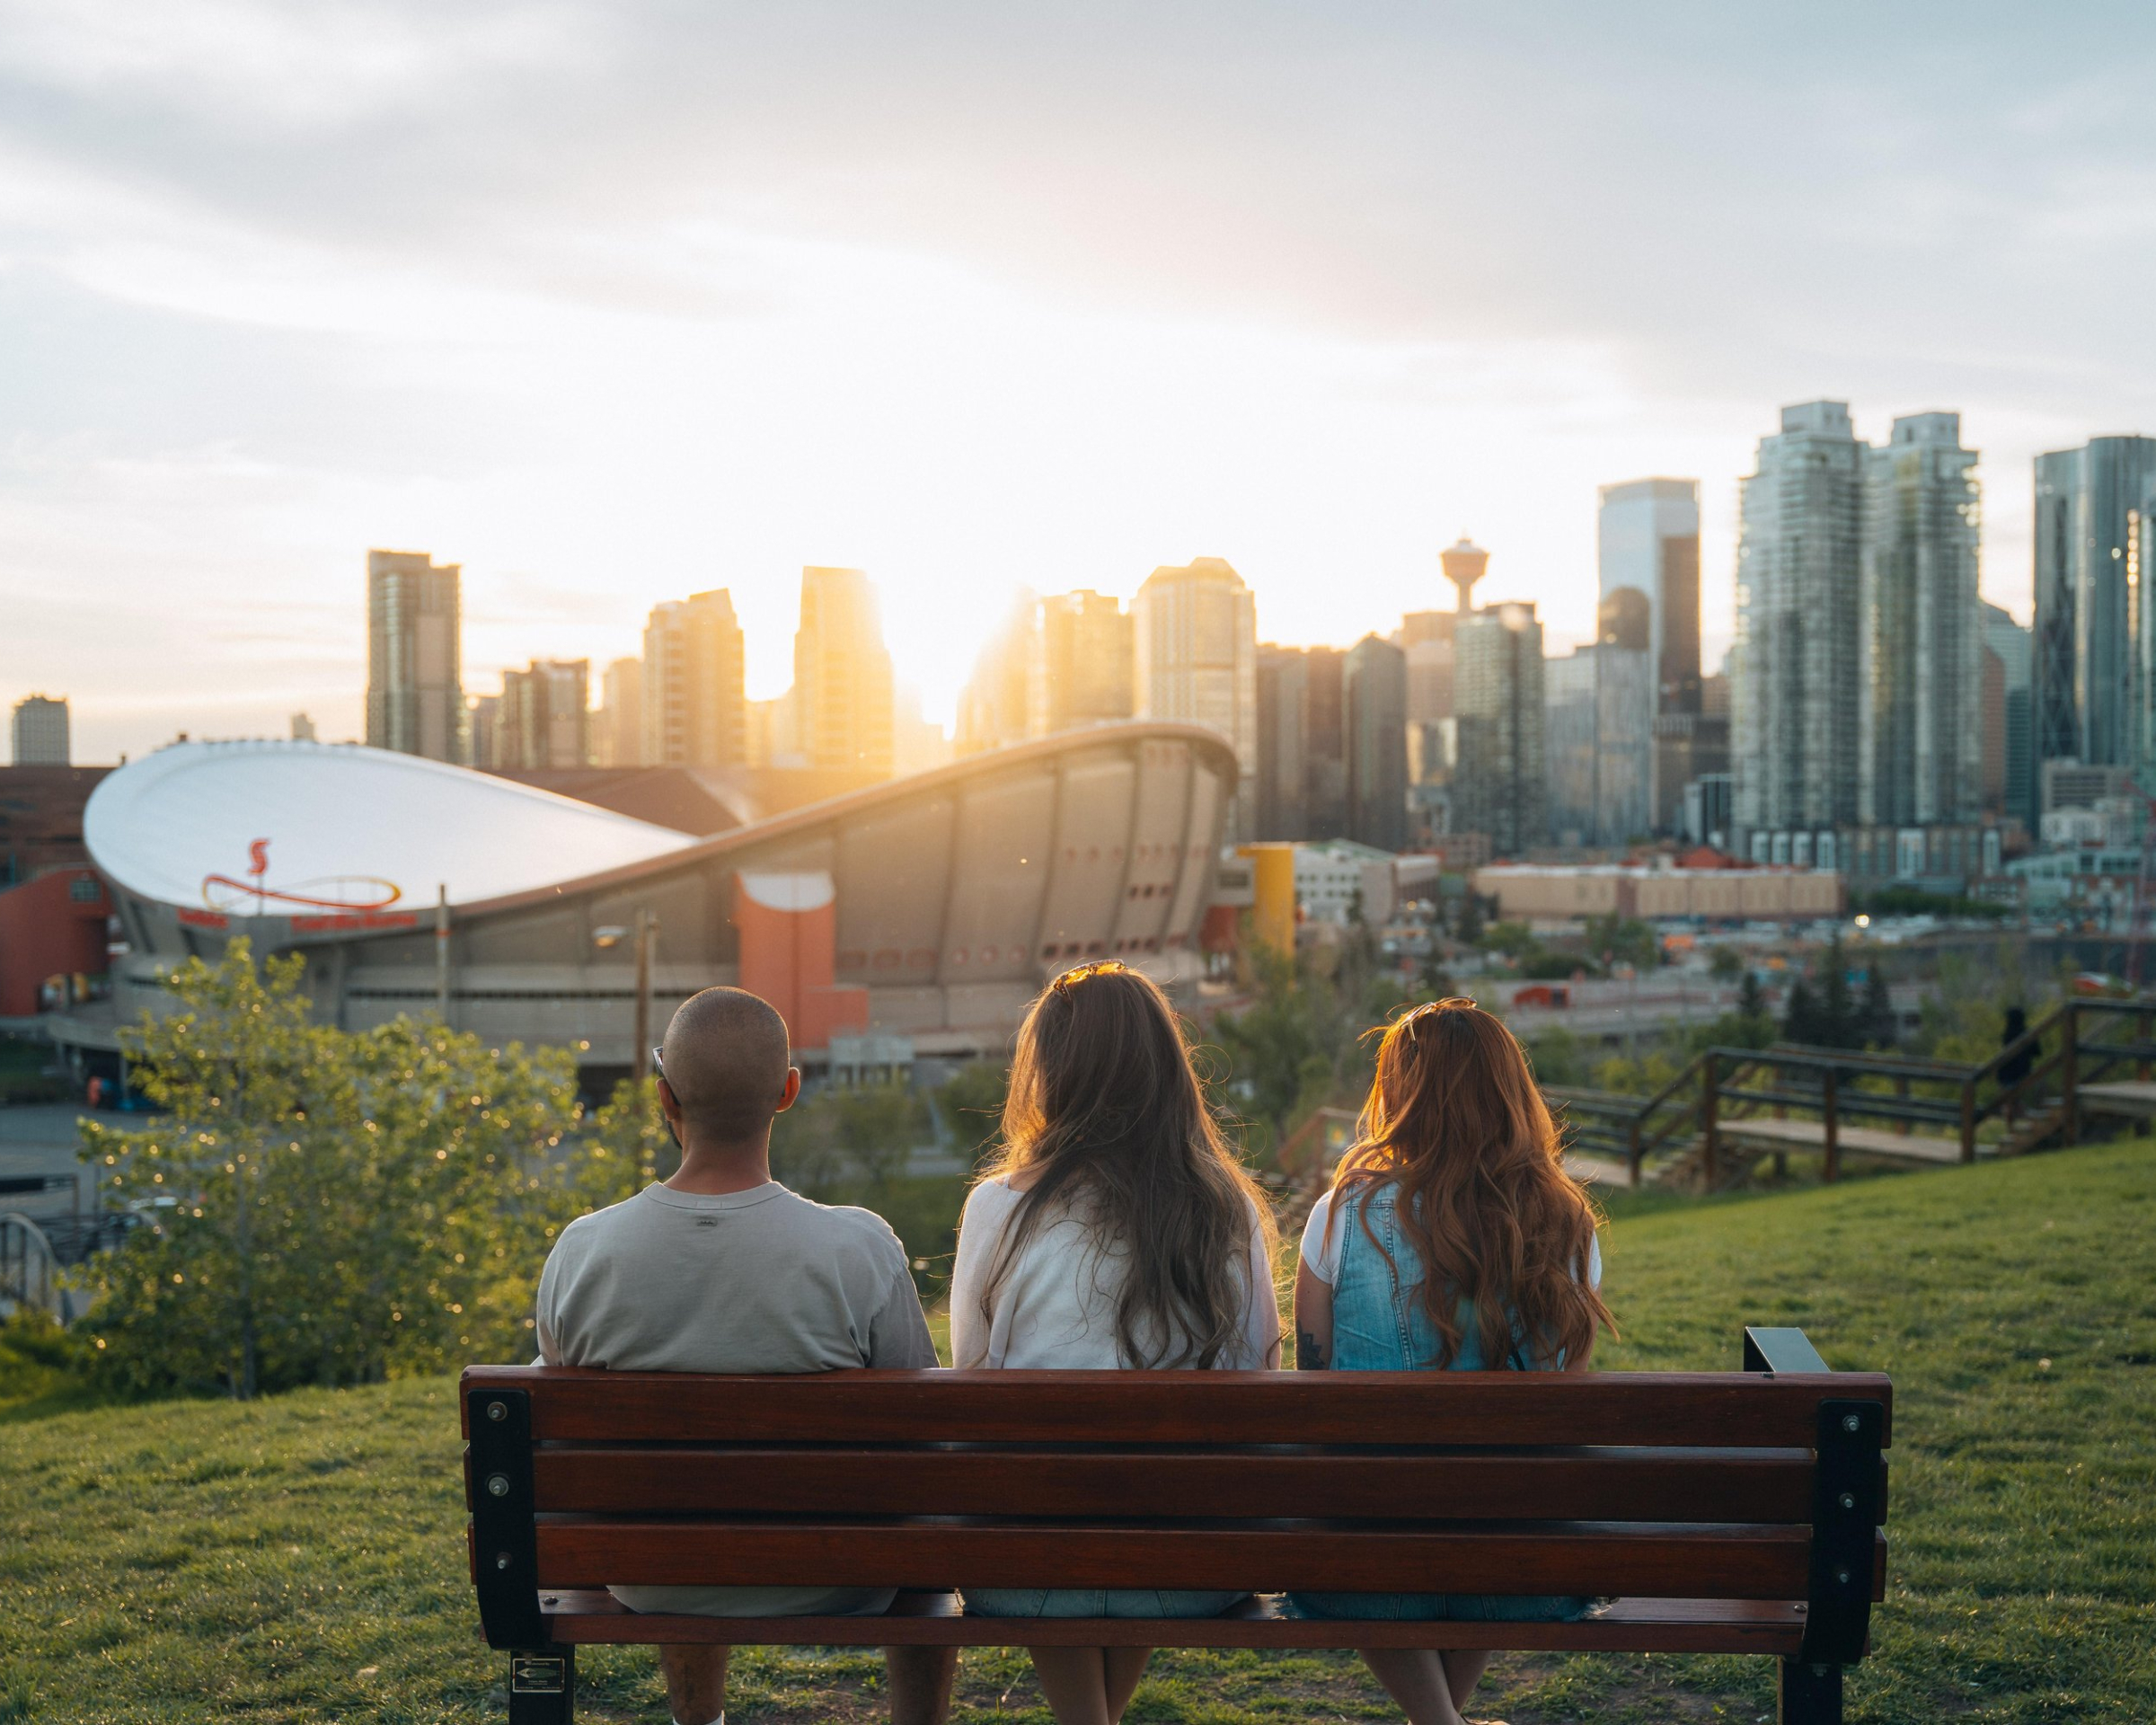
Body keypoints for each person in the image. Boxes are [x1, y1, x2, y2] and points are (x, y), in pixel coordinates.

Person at [535, 986, 955, 1725]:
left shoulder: (585, 1251)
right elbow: (921, 1433)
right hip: (840, 1572)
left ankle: (698, 1719)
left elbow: (557, 1432)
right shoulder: (858, 1247)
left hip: (650, 1574)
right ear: (788, 1091)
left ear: (664, 1095)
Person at [950, 961, 1279, 1725]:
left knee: (1056, 1512)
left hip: (1024, 1567)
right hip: (1191, 1566)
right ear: (1167, 1067)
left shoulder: (999, 1208)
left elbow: (973, 1379)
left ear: (1050, 1074)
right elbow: (1261, 1367)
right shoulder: (1223, 1206)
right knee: (1128, 1513)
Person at [1291, 998, 1615, 1725]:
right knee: (1504, 1509)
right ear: (1511, 1094)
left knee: (1370, 1514)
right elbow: (1566, 1415)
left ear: (1398, 1096)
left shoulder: (1339, 1217)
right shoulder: (1568, 1225)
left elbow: (1313, 1403)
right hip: (1522, 1571)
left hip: (1362, 1572)